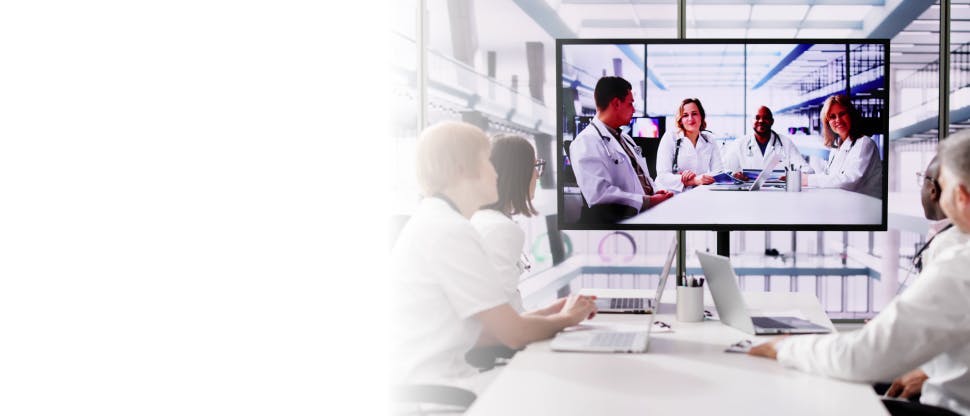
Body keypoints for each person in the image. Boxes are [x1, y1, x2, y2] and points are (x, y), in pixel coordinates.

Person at [748, 130, 970, 416]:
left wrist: (784, 348)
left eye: (941, 182)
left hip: (951, 410)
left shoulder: (960, 264)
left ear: (961, 196)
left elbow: (860, 358)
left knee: (815, 401)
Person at [391, 121, 598, 393]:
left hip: (442, 381)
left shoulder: (441, 222)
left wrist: (554, 312)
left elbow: (496, 321)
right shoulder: (450, 231)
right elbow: (512, 334)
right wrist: (568, 318)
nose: (496, 173)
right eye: (488, 162)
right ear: (462, 170)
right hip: (441, 390)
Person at [569, 76, 673, 223]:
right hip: (622, 224)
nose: (634, 109)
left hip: (646, 215)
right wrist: (648, 201)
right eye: (630, 103)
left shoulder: (626, 139)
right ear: (616, 103)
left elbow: (642, 177)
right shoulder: (585, 141)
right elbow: (599, 195)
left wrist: (655, 191)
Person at [471, 134, 543, 313]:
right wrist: (563, 318)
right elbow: (504, 318)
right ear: (519, 173)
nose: (537, 175)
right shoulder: (501, 230)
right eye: (535, 166)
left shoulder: (480, 219)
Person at [800, 94, 882, 199]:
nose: (838, 120)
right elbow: (829, 177)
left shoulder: (864, 143)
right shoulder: (836, 148)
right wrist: (803, 178)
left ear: (851, 115)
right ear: (827, 123)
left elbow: (850, 181)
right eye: (832, 117)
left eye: (842, 114)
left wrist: (808, 180)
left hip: (865, 205)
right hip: (845, 202)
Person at [654, 98, 724, 193]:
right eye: (685, 115)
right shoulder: (670, 137)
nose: (690, 119)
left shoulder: (709, 140)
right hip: (669, 194)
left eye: (694, 113)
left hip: (696, 193)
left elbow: (718, 172)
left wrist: (702, 178)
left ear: (701, 117)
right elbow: (663, 176)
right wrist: (694, 180)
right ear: (681, 120)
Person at [723, 106, 809, 180]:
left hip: (780, 195)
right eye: (757, 118)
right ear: (751, 121)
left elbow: (807, 170)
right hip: (748, 195)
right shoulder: (739, 144)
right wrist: (734, 175)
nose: (761, 121)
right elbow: (724, 170)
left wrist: (793, 177)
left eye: (766, 118)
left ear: (772, 121)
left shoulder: (786, 143)